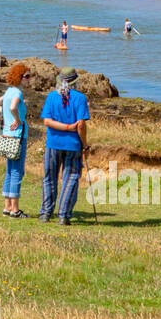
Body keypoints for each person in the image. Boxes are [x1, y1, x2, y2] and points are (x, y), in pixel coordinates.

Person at [38, 68, 90, 225]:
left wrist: (64, 127)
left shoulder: (52, 96)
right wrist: (85, 144)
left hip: (52, 144)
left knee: (49, 178)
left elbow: (47, 121)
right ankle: (63, 215)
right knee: (71, 178)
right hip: (72, 145)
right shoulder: (80, 98)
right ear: (75, 82)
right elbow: (80, 125)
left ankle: (46, 213)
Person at [0, 63, 32, 218]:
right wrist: (18, 119)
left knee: (10, 171)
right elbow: (13, 107)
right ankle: (15, 210)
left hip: (7, 136)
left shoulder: (8, 91)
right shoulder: (16, 92)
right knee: (17, 172)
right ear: (20, 77)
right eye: (27, 76)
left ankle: (7, 206)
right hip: (18, 137)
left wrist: (5, 116)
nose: (30, 80)